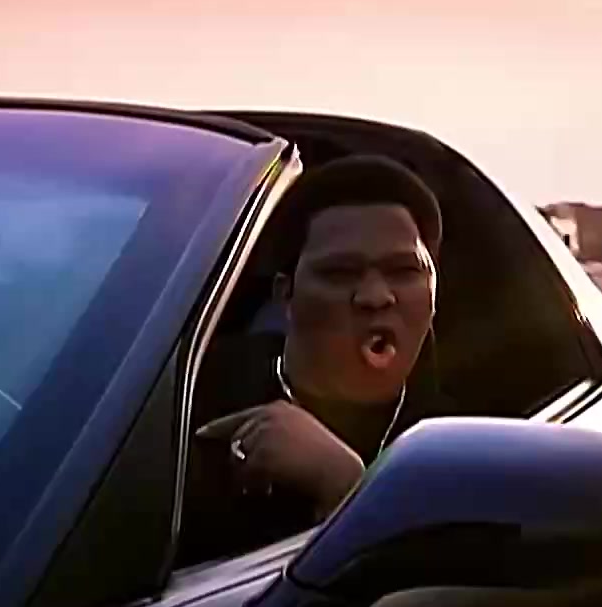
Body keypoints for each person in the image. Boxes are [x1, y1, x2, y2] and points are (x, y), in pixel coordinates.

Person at [178, 155, 453, 566]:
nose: (376, 297)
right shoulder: (189, 396)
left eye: (403, 271)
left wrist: (345, 485)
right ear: (285, 295)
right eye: (340, 273)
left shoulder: (465, 441)